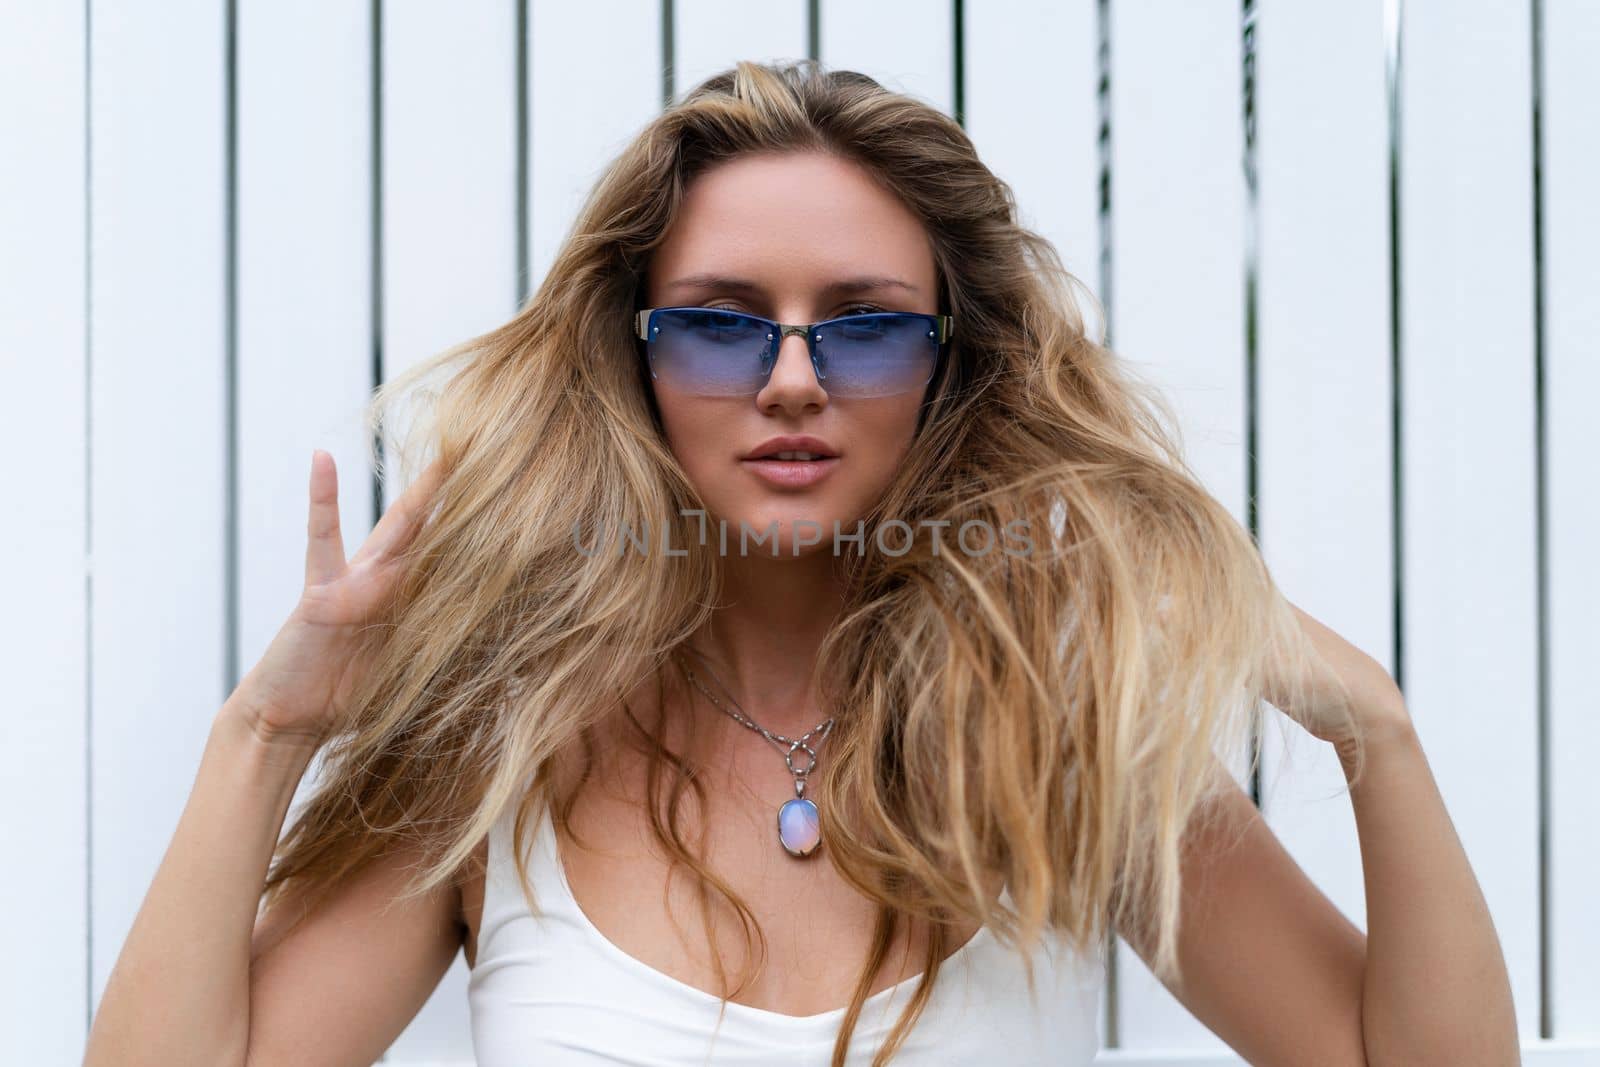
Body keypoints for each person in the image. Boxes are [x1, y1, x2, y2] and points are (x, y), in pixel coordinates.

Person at [83, 59, 1518, 1067]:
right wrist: (268, 730)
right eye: (718, 320)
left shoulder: (1057, 739)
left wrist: (1374, 728)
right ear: (632, 361)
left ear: (952, 365)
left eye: (864, 322)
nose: (788, 380)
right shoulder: (502, 746)